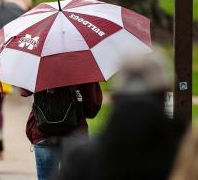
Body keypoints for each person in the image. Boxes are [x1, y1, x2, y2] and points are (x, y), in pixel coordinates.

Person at [56, 54, 185, 180]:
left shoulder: (83, 159)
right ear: (163, 95)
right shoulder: (184, 157)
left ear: (116, 97)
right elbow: (92, 107)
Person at [21, 82, 102, 180]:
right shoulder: (82, 69)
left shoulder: (38, 67)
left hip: (43, 133)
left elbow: (25, 91)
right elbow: (92, 107)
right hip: (75, 135)